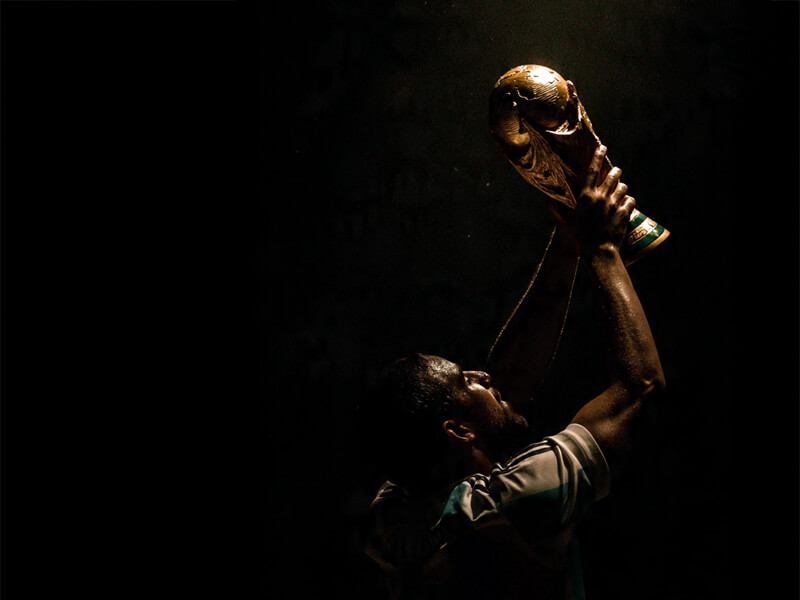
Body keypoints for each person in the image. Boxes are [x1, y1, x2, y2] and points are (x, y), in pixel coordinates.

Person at [358, 146, 666, 600]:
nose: (485, 376)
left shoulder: (391, 511)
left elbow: (506, 389)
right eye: (467, 380)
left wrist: (567, 242)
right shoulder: (511, 502)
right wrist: (602, 249)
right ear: (459, 432)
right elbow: (640, 391)